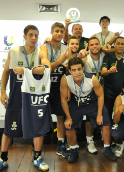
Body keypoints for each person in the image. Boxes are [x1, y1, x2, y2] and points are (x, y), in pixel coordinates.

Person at [0, 25, 51, 172]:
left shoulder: (41, 52)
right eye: (31, 35)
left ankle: (37, 157)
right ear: (24, 36)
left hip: (33, 97)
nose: (34, 38)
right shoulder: (14, 51)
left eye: (36, 35)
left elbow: (47, 68)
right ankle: (2, 159)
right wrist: (2, 92)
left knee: (38, 127)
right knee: (9, 129)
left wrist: (26, 70)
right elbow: (5, 72)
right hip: (16, 96)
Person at [60, 57, 117, 163]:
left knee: (105, 123)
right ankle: (74, 151)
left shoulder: (92, 79)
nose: (77, 73)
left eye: (79, 69)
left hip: (93, 103)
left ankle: (107, 148)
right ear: (69, 71)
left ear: (82, 69)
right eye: (74, 70)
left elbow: (100, 96)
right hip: (76, 104)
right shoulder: (65, 79)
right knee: (68, 125)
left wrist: (99, 114)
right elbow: (63, 99)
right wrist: (68, 117)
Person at [40, 22, 69, 158]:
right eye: (56, 31)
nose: (59, 33)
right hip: (43, 87)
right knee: (40, 116)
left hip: (59, 87)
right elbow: (47, 69)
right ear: (51, 33)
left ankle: (61, 144)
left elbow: (68, 71)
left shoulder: (66, 48)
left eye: (61, 31)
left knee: (61, 116)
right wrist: (60, 60)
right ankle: (37, 147)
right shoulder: (44, 46)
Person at [101, 37, 124, 123]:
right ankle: (108, 135)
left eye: (122, 44)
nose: (120, 46)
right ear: (114, 45)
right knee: (107, 117)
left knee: (122, 117)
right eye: (118, 43)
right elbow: (103, 73)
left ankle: (121, 135)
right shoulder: (108, 57)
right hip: (109, 94)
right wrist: (109, 71)